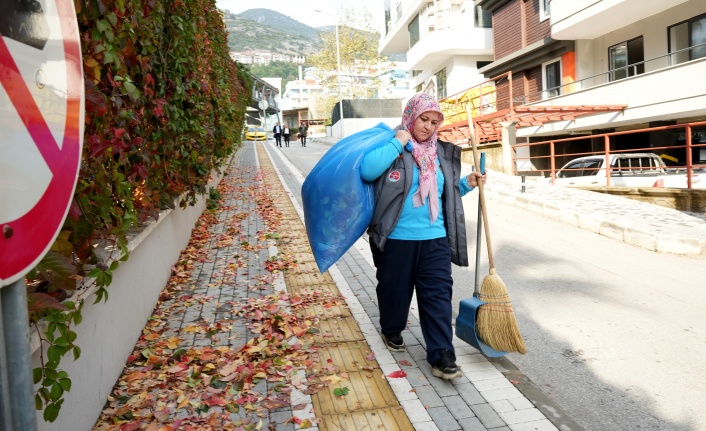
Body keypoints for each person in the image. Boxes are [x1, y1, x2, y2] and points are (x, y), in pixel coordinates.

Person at [360, 93, 486, 381]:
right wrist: (399, 140)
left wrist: (466, 184)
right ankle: (391, 328)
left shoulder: (441, 152)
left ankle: (442, 354)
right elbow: (368, 172)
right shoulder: (393, 145)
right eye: (423, 119)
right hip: (396, 238)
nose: (428, 127)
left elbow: (444, 193)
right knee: (394, 291)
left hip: (435, 238)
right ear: (410, 116)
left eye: (434, 122)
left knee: (438, 296)